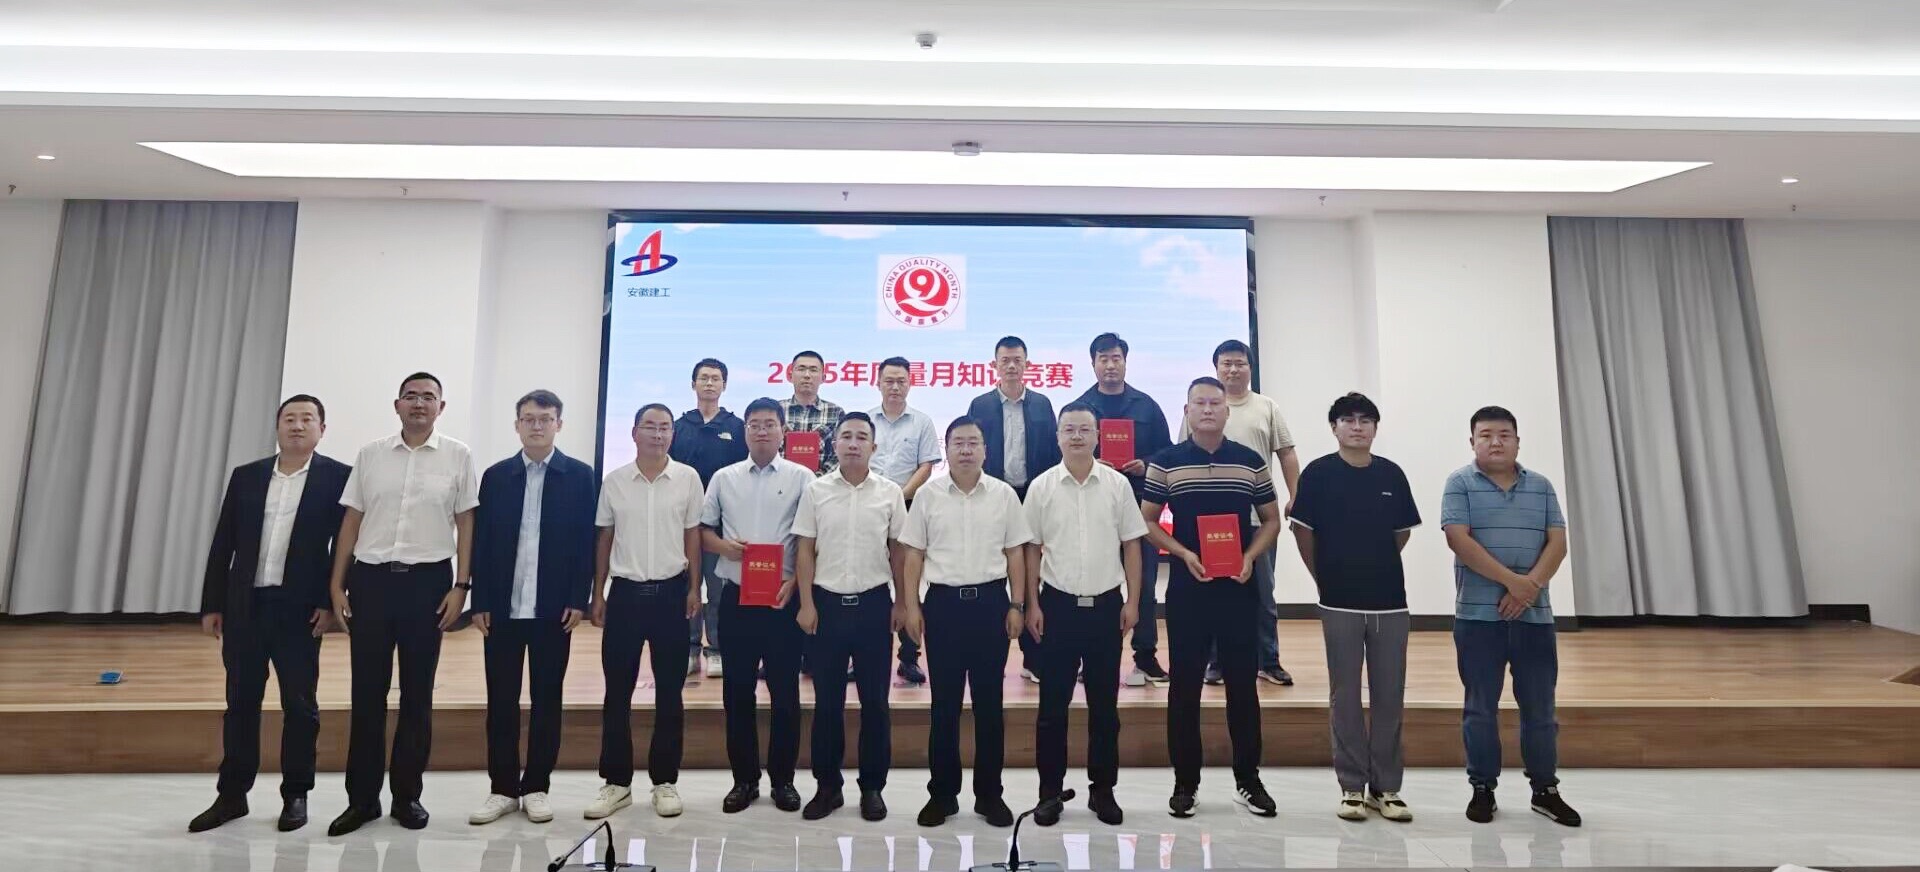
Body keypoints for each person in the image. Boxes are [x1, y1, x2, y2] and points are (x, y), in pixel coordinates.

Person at [327, 373, 481, 836]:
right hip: (371, 582)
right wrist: (337, 584)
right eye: (411, 396)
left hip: (427, 585)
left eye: (428, 397)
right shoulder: (371, 455)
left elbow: (466, 524)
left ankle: (406, 796)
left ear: (441, 407)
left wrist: (462, 585)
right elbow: (351, 521)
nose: (419, 403)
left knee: (417, 694)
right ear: (397, 405)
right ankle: (362, 800)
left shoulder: (458, 456)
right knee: (366, 694)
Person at [190, 395, 350, 834]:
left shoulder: (339, 477)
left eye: (307, 419)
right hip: (245, 607)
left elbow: (345, 547)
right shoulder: (247, 475)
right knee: (240, 703)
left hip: (300, 612)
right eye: (289, 418)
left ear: (321, 429)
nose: (297, 426)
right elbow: (223, 542)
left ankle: (296, 794)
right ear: (277, 426)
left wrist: (329, 602)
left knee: (300, 706)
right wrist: (213, 604)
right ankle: (232, 795)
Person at [1144, 378, 1283, 819]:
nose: (1207, 410)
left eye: (1215, 403)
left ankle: (1249, 780)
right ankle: (1185, 783)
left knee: (1242, 686)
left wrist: (1250, 557)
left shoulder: (1249, 461)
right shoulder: (1166, 462)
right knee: (1184, 686)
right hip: (1189, 588)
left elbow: (1271, 520)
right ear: (1186, 410)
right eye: (1199, 403)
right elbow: (1147, 521)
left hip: (1238, 586)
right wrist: (1182, 553)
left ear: (1227, 411)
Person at [1441, 406, 1580, 827]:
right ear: (1472, 442)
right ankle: (1483, 788)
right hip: (1477, 619)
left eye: (1504, 434)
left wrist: (1529, 587)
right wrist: (1514, 583)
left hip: (1534, 619)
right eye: (1485, 435)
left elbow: (1558, 542)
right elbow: (1458, 540)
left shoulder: (1541, 486)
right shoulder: (1460, 483)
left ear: (1518, 441)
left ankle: (1545, 790)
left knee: (1540, 709)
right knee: (1480, 708)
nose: (1495, 442)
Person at [467, 390, 599, 827]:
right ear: (517, 425)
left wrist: (578, 598)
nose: (537, 426)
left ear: (559, 424)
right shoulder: (496, 476)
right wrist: (480, 600)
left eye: (545, 418)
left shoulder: (579, 476)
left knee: (547, 700)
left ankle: (537, 786)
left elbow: (585, 544)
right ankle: (503, 789)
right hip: (502, 610)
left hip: (553, 610)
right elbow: (483, 542)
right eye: (529, 419)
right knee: (500, 701)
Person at [1287, 392, 1419, 823]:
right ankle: (1352, 787)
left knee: (1389, 695)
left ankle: (1387, 788)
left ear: (1375, 428)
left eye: (1365, 420)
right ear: (1335, 427)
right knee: (1344, 695)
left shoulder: (1391, 474)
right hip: (1338, 602)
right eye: (1348, 420)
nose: (1357, 427)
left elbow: (1401, 534)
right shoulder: (1318, 474)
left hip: (1390, 603)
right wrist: (1324, 578)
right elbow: (1303, 533)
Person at [899, 416, 1033, 828]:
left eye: (973, 442)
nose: (966, 450)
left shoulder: (1003, 495)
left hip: (991, 605)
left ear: (985, 450)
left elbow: (1015, 553)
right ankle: (942, 796)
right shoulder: (928, 495)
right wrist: (911, 607)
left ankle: (990, 796)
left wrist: (1017, 605)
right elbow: (913, 555)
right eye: (958, 442)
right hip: (943, 606)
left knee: (990, 705)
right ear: (947, 449)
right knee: (945, 705)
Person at [1025, 402, 1145, 827]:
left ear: (1098, 436)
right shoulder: (1041, 487)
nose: (1076, 436)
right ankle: (1049, 794)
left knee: (1104, 708)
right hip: (1056, 608)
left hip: (1105, 609)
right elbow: (1031, 549)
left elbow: (1132, 545)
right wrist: (1032, 603)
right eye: (1068, 429)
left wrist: (1133, 602)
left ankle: (1102, 790)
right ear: (1058, 436)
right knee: (1051, 708)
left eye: (1084, 429)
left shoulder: (1117, 485)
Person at [587, 403, 705, 820]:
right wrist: (598, 593)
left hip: (672, 594)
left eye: (665, 428)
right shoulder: (615, 481)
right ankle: (616, 782)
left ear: (673, 434)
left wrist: (695, 587)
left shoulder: (688, 479)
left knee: (670, 692)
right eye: (650, 427)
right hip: (625, 595)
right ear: (634, 433)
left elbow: (693, 537)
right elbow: (604, 539)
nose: (658, 434)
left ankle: (665, 781)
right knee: (617, 691)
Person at [793, 412, 910, 822]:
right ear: (835, 445)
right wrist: (806, 603)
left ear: (874, 447)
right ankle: (828, 788)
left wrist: (903, 602)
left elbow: (899, 551)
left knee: (875, 702)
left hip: (874, 606)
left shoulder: (890, 493)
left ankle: (872, 788)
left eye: (862, 437)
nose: (854, 443)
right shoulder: (816, 491)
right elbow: (805, 549)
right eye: (846, 436)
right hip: (826, 606)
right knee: (827, 703)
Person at [702, 398, 814, 815]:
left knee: (785, 694)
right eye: (754, 424)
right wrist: (724, 547)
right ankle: (744, 780)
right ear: (745, 431)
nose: (762, 431)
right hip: (737, 599)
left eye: (769, 424)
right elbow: (702, 531)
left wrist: (795, 583)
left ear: (784, 430)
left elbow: (811, 539)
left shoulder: (803, 478)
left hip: (783, 599)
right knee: (737, 692)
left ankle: (783, 781)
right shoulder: (724, 478)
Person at [1182, 339, 1299, 687]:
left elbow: (1286, 452)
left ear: (1250, 368)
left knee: (1263, 594)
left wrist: (1296, 495)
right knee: (1216, 594)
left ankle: (1269, 660)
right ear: (1216, 368)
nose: (1233, 369)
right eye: (1226, 364)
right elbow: (1183, 455)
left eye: (1240, 363)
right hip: (1212, 521)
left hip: (1258, 520)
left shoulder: (1267, 407)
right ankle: (1217, 662)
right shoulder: (1201, 409)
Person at [1074, 333, 1173, 688]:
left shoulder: (1146, 406)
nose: (1110, 365)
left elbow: (1167, 453)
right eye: (1103, 358)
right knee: (1096, 584)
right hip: (1092, 509)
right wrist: (1090, 462)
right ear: (1093, 364)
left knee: (1142, 584)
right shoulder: (1080, 408)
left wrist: (1145, 464)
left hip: (1139, 507)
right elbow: (1063, 455)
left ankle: (1145, 656)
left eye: (1116, 358)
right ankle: (1093, 658)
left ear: (1125, 362)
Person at [967, 336, 1059, 682]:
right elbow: (972, 451)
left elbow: (1053, 453)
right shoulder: (980, 405)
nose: (1010, 366)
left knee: (1032, 572)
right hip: (993, 497)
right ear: (994, 365)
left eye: (1017, 360)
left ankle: (1033, 658)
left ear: (1027, 365)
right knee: (995, 572)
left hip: (1032, 495)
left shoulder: (1042, 404)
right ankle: (988, 655)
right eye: (1004, 360)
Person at [671, 358, 749, 679]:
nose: (709, 383)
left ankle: (716, 649)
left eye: (715, 378)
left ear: (724, 385)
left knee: (717, 590)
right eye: (703, 378)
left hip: (720, 527)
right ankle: (690, 648)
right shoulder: (678, 426)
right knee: (688, 587)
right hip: (684, 524)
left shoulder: (736, 427)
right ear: (693, 384)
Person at [867, 356, 941, 685]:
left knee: (908, 579)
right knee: (870, 577)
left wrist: (900, 495)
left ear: (911, 384)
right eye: (889, 380)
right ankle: (864, 654)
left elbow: (927, 466)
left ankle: (909, 657)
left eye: (901, 381)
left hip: (908, 505)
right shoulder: (866, 420)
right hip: (868, 505)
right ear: (878, 383)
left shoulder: (921, 422)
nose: (895, 387)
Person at [783, 350, 845, 476]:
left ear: (823, 378)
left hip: (823, 483)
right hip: (780, 483)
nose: (807, 375)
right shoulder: (777, 410)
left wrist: (817, 480)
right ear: (790, 376)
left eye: (813, 370)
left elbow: (840, 454)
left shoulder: (836, 412)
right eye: (801, 369)